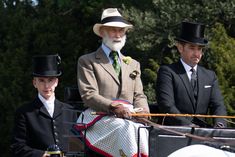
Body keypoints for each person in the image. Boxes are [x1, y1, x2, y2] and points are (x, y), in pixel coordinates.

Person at [72, 8, 150, 157]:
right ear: (102, 33)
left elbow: (139, 95)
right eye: (113, 30)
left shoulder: (133, 64)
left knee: (141, 129)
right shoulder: (87, 61)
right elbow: (89, 94)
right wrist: (113, 106)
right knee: (125, 129)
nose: (118, 35)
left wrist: (144, 111)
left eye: (121, 31)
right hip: (99, 117)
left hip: (129, 119)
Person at [155, 21, 227, 127]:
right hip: (174, 133)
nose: (197, 54)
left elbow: (218, 105)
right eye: (192, 48)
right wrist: (188, 125)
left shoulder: (210, 76)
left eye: (200, 49)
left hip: (203, 134)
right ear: (180, 48)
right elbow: (167, 105)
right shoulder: (167, 72)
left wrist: (220, 124)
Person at [11, 54, 77, 157]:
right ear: (34, 83)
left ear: (56, 82)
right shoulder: (24, 113)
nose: (46, 86)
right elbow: (17, 147)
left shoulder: (69, 111)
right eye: (41, 80)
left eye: (50, 80)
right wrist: (42, 154)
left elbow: (76, 146)